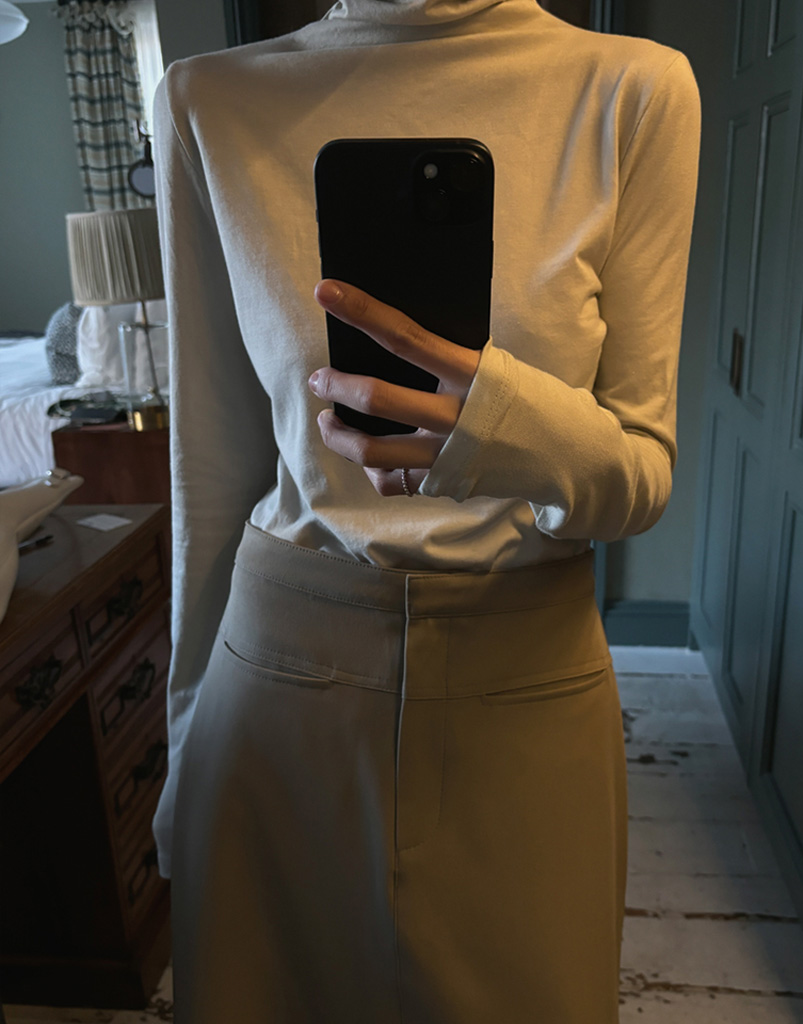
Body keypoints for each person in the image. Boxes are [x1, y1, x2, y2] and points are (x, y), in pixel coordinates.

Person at [151, 0, 701, 1020]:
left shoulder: (633, 89)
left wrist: (499, 423)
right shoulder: (206, 100)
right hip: (272, 696)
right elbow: (212, 472)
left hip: (526, 699)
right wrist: (183, 746)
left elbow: (640, 477)